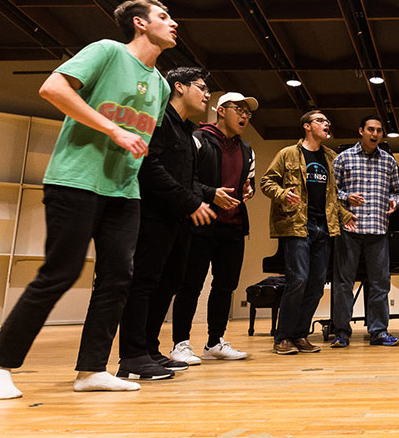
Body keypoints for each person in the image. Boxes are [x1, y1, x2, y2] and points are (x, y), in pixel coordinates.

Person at [0, 0, 176, 399]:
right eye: (163, 16)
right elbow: (52, 88)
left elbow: (143, 140)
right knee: (61, 272)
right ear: (140, 23)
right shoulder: (106, 51)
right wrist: (114, 130)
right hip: (76, 180)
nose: (174, 23)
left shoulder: (161, 83)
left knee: (118, 278)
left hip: (124, 189)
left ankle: (91, 370)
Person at [117, 67, 239, 380]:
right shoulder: (159, 119)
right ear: (179, 87)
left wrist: (205, 195)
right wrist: (191, 201)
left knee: (168, 281)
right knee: (144, 283)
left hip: (179, 220)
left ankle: (149, 348)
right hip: (154, 215)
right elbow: (150, 166)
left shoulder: (186, 130)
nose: (207, 94)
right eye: (201, 87)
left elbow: (188, 179)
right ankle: (131, 356)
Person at [169, 92, 258, 365]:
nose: (244, 116)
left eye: (247, 112)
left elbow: (247, 182)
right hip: (200, 221)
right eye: (238, 109)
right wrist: (211, 193)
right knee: (191, 284)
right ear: (221, 111)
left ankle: (214, 342)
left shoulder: (247, 149)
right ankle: (180, 344)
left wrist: (248, 188)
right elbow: (184, 178)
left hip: (233, 226)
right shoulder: (197, 139)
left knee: (225, 286)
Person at [261, 110, 355, 355]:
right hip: (297, 226)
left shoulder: (330, 157)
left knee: (315, 285)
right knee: (298, 280)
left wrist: (345, 216)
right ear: (306, 126)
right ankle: (283, 337)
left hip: (323, 227)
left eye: (327, 121)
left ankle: (300, 335)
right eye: (321, 121)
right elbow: (267, 182)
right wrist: (283, 194)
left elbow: (332, 196)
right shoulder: (287, 154)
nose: (327, 124)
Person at [329, 115, 399, 348]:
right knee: (343, 283)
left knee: (380, 283)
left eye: (379, 131)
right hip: (349, 229)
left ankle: (378, 331)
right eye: (370, 129)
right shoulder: (343, 159)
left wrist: (394, 202)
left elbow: (397, 192)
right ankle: (341, 331)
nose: (375, 134)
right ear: (361, 131)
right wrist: (346, 197)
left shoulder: (389, 162)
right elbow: (331, 193)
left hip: (379, 231)